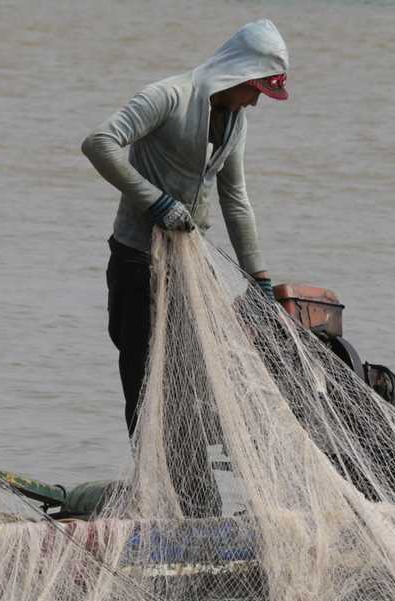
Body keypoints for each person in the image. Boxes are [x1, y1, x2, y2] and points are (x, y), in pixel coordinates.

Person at [81, 20, 288, 515]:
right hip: (136, 261)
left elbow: (235, 199)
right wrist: (153, 202)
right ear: (235, 73)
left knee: (191, 384)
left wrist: (257, 276)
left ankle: (200, 506)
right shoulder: (168, 97)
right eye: (254, 90)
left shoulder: (235, 121)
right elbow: (99, 143)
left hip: (189, 271)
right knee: (147, 385)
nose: (255, 102)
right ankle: (164, 500)